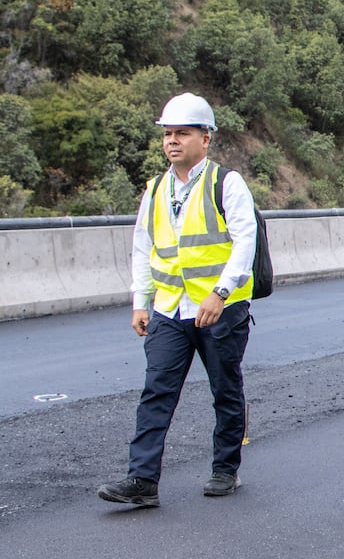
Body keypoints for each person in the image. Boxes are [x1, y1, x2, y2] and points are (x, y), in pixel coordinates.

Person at [97, 92, 259, 507]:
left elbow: (245, 243)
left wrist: (220, 293)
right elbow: (142, 247)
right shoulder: (154, 189)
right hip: (169, 309)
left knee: (225, 388)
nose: (172, 141)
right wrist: (140, 301)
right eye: (168, 134)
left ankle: (225, 469)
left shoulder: (226, 182)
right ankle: (142, 480)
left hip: (219, 310)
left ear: (205, 139)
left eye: (182, 133)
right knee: (156, 390)